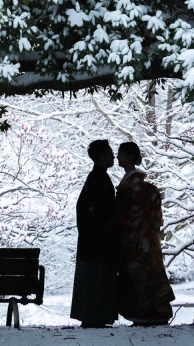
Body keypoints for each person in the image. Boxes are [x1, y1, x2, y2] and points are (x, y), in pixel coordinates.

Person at [115, 140, 174, 326]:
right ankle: (155, 313)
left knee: (138, 277)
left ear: (131, 156)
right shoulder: (147, 189)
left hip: (135, 243)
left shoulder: (131, 189)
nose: (117, 157)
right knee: (151, 274)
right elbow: (157, 219)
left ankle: (144, 315)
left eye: (121, 153)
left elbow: (124, 217)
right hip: (150, 241)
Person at [70, 138, 120, 328]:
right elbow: (99, 210)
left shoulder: (97, 177)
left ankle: (94, 315)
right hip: (98, 243)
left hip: (93, 242)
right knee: (98, 279)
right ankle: (96, 316)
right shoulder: (99, 179)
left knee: (95, 279)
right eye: (109, 153)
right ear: (100, 156)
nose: (113, 156)